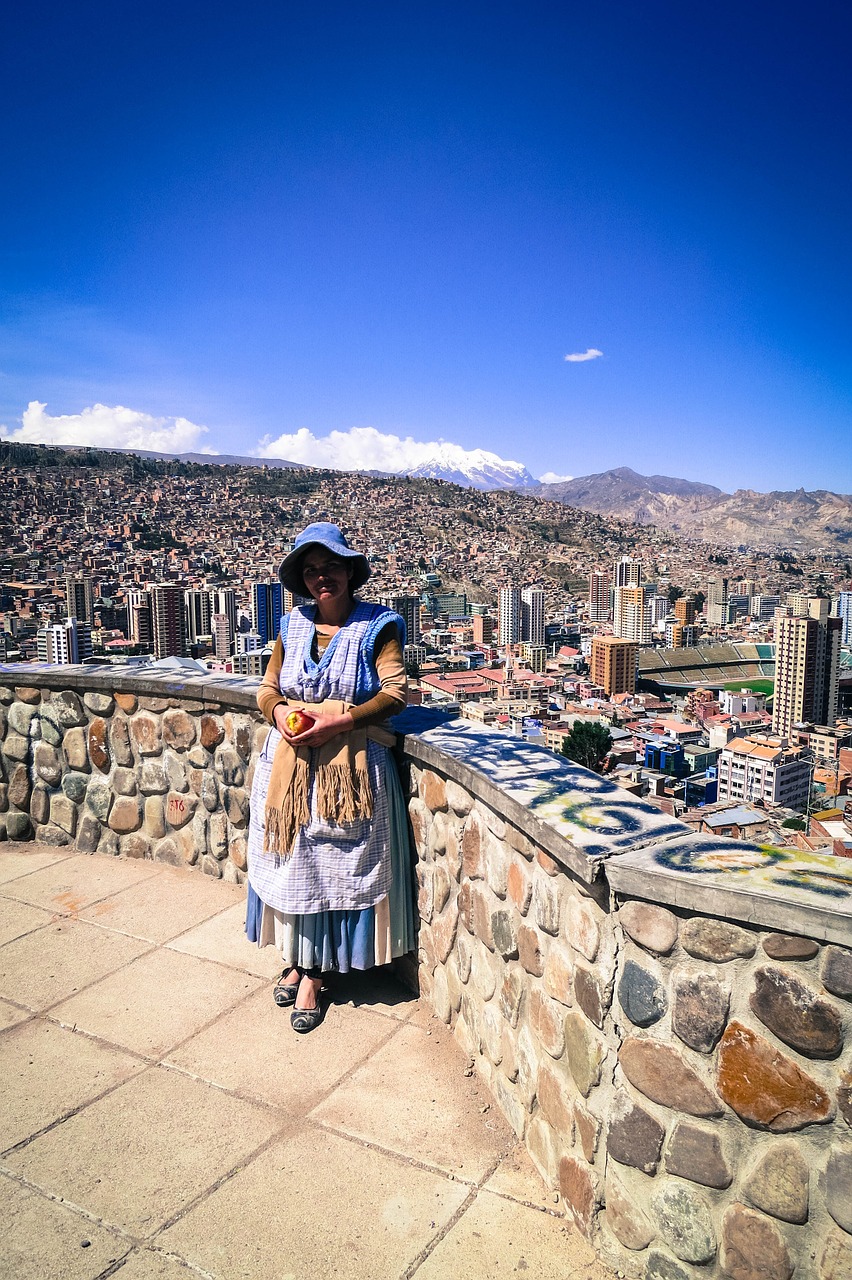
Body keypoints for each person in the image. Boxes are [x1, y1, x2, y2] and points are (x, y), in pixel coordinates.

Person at [245, 522, 415, 1032]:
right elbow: (267, 687)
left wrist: (338, 721)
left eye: (331, 567)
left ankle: (318, 976)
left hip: (350, 770)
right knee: (295, 863)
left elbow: (396, 695)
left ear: (349, 572)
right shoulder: (292, 626)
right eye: (312, 570)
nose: (323, 578)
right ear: (302, 578)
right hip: (292, 767)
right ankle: (299, 958)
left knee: (333, 865)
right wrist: (279, 714)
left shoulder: (377, 627)